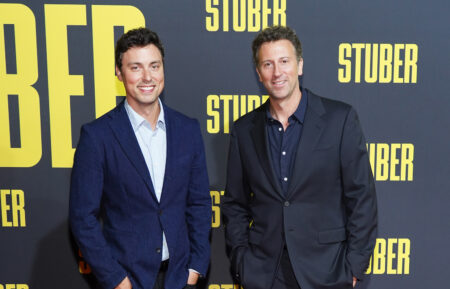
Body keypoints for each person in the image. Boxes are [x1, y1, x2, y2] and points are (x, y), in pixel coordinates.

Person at [222, 26, 377, 289]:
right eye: (268, 64)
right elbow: (234, 203)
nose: (277, 72)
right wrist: (242, 261)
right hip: (264, 273)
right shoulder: (244, 130)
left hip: (327, 271)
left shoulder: (340, 119)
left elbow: (361, 197)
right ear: (259, 73)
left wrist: (354, 266)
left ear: (300, 65)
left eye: (284, 61)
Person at [69, 28, 211, 289]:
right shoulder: (97, 136)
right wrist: (116, 280)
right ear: (119, 72)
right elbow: (82, 218)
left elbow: (200, 203)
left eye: (154, 66)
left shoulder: (187, 129)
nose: (147, 77)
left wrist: (195, 267)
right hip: (128, 279)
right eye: (136, 67)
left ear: (163, 69)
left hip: (180, 278)